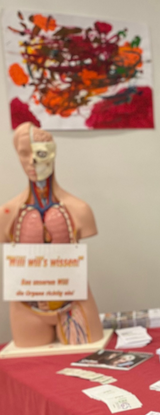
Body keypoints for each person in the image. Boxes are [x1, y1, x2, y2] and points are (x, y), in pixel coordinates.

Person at [0, 122, 103, 347]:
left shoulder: (79, 210)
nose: (32, 161)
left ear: (52, 153)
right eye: (24, 153)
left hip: (75, 304)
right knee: (32, 364)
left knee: (83, 358)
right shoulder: (7, 214)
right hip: (26, 308)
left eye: (39, 152)